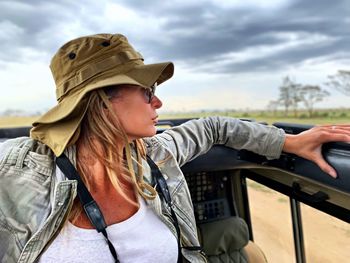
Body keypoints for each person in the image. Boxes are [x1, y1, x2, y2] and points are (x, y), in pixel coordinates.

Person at [0, 33, 349, 263]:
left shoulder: (154, 154)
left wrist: (289, 142)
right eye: (147, 91)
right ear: (102, 101)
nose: (159, 102)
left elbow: (213, 127)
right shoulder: (17, 168)